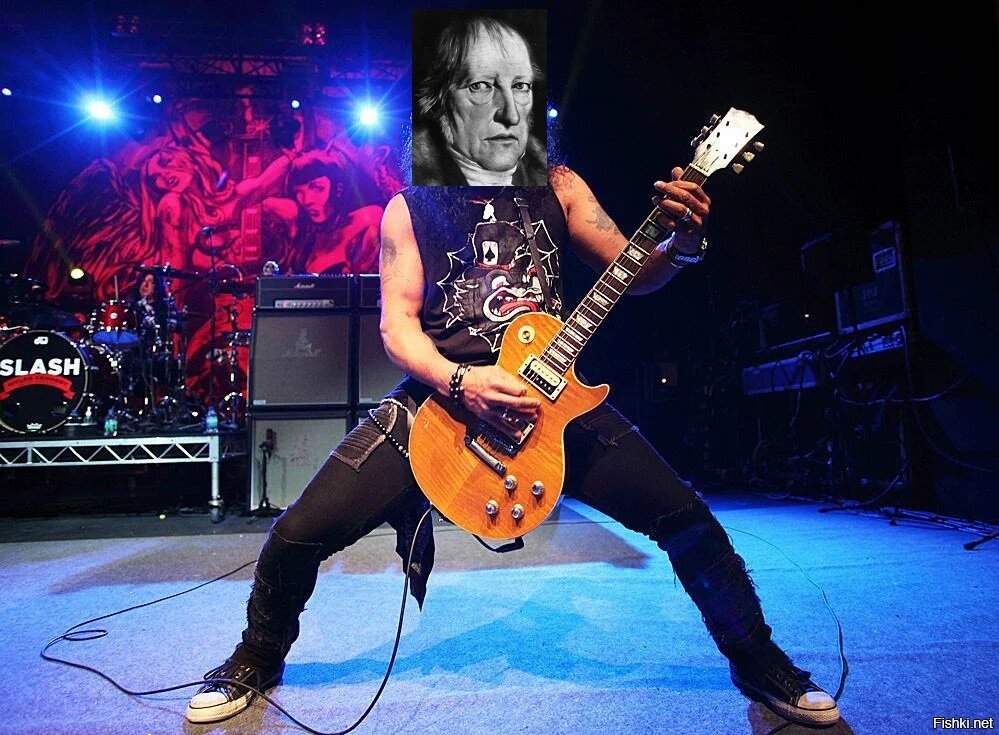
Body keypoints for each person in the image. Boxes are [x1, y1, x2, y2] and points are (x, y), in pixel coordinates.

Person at [185, 17, 840, 731]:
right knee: (296, 534)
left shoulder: (559, 186)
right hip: (442, 401)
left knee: (688, 519)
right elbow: (397, 327)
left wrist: (682, 242)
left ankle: (757, 658)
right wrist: (460, 382)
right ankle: (256, 657)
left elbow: (636, 269)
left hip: (552, 398)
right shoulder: (409, 207)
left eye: (512, 87)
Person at [411, 12, 548, 186]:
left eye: (520, 86)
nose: (512, 116)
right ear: (439, 102)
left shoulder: (559, 185)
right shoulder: (408, 187)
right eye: (480, 86)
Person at [270, 151, 384, 275]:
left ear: (338, 189)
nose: (307, 200)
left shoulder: (367, 218)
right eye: (299, 192)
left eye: (317, 188)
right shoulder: (303, 232)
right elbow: (261, 198)